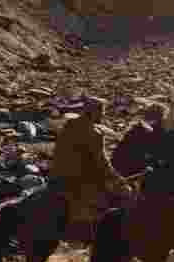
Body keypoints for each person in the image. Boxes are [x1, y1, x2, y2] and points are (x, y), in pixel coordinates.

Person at [49, 96, 132, 239]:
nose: (103, 116)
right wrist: (118, 178)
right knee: (125, 192)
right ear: (93, 112)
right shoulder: (94, 133)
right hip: (80, 178)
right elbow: (102, 162)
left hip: (57, 174)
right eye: (101, 112)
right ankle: (109, 233)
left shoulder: (70, 124)